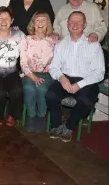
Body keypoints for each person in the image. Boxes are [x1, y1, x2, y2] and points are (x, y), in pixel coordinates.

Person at [46, 11, 105, 142]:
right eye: (72, 21)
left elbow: (99, 72)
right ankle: (56, 125)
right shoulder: (60, 44)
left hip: (86, 81)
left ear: (85, 25)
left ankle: (69, 126)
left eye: (79, 22)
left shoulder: (94, 45)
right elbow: (54, 67)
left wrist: (79, 84)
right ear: (67, 24)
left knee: (87, 101)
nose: (75, 24)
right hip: (65, 78)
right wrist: (62, 78)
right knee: (50, 95)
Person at [20, 10, 56, 133]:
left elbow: (55, 62)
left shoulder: (53, 41)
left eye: (43, 20)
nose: (40, 23)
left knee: (42, 89)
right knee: (29, 88)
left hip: (46, 74)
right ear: (33, 23)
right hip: (29, 73)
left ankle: (41, 117)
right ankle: (31, 117)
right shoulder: (26, 39)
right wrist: (34, 77)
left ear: (47, 24)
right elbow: (23, 63)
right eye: (37, 20)